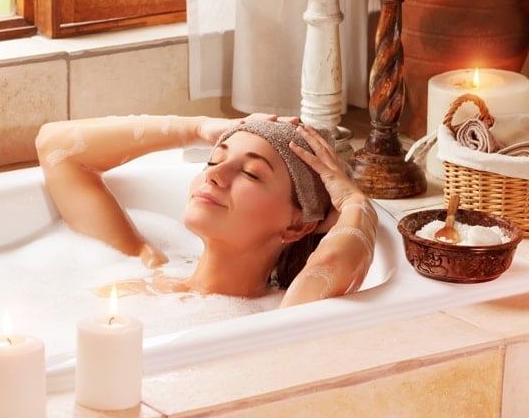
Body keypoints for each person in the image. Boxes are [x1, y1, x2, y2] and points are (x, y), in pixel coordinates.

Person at [34, 114, 377, 307]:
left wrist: (353, 202)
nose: (213, 174)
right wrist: (197, 129)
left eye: (250, 173)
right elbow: (56, 146)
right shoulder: (144, 262)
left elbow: (334, 263)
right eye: (215, 158)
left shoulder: (278, 313)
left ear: (295, 227)